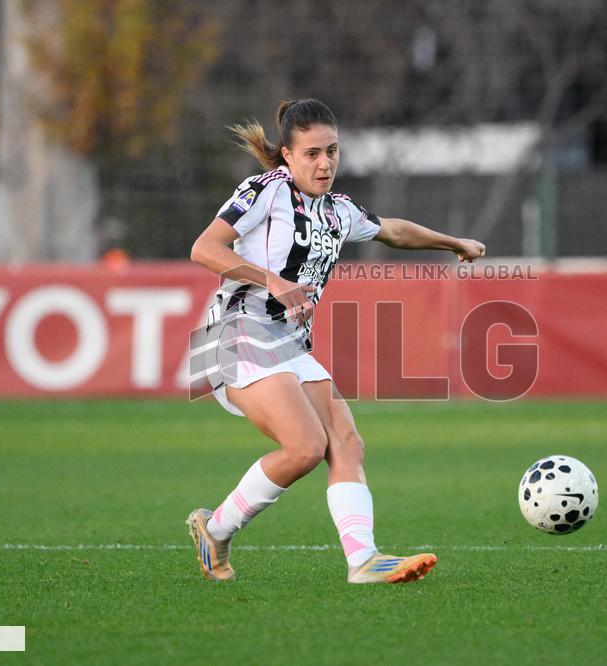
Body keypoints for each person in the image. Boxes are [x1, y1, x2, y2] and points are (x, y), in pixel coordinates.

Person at [187, 99, 486, 584]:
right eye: (311, 153)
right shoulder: (264, 191)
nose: (324, 163)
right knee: (306, 446)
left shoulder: (338, 211)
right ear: (287, 155)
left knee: (346, 441)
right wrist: (273, 281)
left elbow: (394, 231)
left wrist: (454, 243)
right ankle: (216, 529)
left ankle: (362, 560)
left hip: (288, 343)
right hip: (235, 335)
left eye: (332, 151)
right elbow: (204, 248)